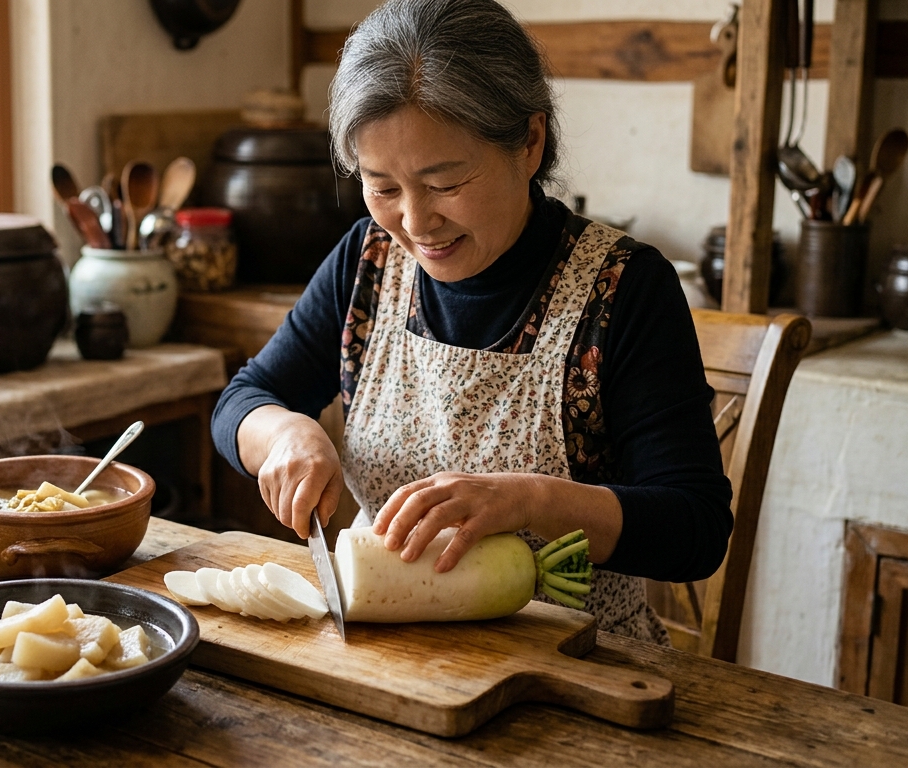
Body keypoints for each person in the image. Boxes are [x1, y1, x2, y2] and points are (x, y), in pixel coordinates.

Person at [210, 0, 733, 642]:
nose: (415, 222)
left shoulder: (623, 289)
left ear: (530, 143)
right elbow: (244, 399)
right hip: (394, 652)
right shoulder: (368, 263)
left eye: (445, 183)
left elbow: (695, 528)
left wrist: (531, 500)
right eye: (383, 186)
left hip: (580, 664)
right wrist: (284, 434)